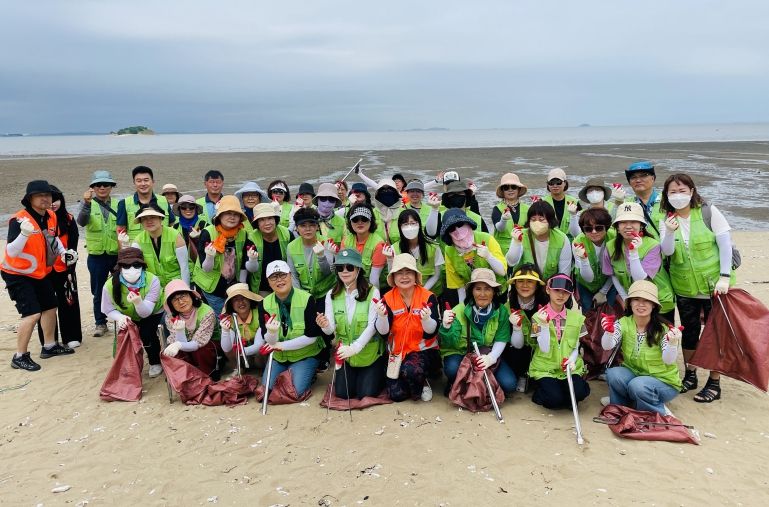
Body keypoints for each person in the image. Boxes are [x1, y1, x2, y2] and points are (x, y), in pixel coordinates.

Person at [659, 173, 735, 403]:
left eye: (683, 191)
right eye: (673, 192)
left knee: (716, 335)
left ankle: (714, 381)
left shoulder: (708, 212)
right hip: (684, 289)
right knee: (689, 333)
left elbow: (725, 245)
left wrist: (725, 276)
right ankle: (690, 374)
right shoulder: (667, 219)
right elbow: (667, 252)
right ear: (666, 195)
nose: (678, 196)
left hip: (714, 287)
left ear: (692, 192)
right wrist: (669, 232)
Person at [3, 180, 75, 371]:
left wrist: (63, 253)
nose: (45, 198)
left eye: (48, 195)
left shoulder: (50, 215)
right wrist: (24, 234)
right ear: (30, 199)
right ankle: (19, 356)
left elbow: (53, 238)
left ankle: (49, 346)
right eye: (40, 195)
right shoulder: (19, 220)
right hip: (17, 274)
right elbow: (11, 251)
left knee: (50, 306)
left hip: (39, 272)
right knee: (32, 313)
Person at [601, 280, 682, 414]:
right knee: (613, 374)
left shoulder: (663, 329)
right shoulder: (623, 323)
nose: (641, 304)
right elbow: (607, 345)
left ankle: (657, 410)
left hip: (663, 382)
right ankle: (620, 405)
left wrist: (672, 343)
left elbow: (669, 360)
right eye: (636, 299)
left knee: (638, 385)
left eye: (646, 300)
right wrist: (608, 333)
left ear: (654, 305)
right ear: (630, 303)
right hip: (635, 375)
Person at [318, 249, 384, 399]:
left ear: (358, 269)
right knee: (343, 393)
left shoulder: (372, 291)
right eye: (340, 268)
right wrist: (324, 325)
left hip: (369, 354)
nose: (345, 271)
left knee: (365, 393)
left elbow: (372, 326)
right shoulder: (331, 294)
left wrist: (355, 348)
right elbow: (330, 330)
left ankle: (378, 371)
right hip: (346, 356)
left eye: (350, 267)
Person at [439, 268, 516, 396]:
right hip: (461, 353)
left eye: (488, 289)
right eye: (478, 289)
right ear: (471, 291)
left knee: (509, 384)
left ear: (494, 292)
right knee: (452, 369)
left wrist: (491, 358)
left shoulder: (501, 311)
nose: (482, 294)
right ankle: (456, 382)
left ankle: (479, 386)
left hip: (486, 353)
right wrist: (446, 326)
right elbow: (450, 343)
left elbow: (501, 338)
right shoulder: (458, 310)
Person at [374, 253, 440, 402]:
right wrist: (382, 317)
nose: (404, 277)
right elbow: (383, 333)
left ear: (415, 275)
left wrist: (427, 319)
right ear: (393, 277)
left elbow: (432, 332)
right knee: (396, 395)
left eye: (408, 272)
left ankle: (422, 381)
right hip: (398, 353)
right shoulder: (387, 298)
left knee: (411, 371)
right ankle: (412, 381)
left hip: (424, 351)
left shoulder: (429, 297)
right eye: (399, 273)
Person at [257, 261, 325, 398]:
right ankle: (289, 372)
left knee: (294, 392)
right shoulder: (264, 303)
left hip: (305, 355)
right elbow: (269, 340)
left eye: (282, 275)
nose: (279, 280)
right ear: (268, 282)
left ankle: (308, 373)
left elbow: (311, 336)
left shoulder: (307, 299)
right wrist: (271, 333)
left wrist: (281, 346)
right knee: (266, 392)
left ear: (290, 276)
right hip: (279, 358)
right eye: (274, 277)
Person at [521, 274, 590, 410]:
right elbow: (544, 348)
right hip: (545, 368)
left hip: (569, 367)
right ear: (548, 290)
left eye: (565, 292)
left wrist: (572, 360)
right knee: (555, 400)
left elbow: (576, 346)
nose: (561, 295)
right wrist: (545, 326)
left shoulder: (577, 318)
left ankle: (563, 393)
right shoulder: (537, 317)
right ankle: (542, 393)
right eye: (557, 290)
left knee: (580, 393)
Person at [602, 202, 675, 319]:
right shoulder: (610, 247)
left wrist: (633, 253)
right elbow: (613, 275)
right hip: (634, 303)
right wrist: (625, 297)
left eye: (633, 222)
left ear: (641, 225)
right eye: (623, 222)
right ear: (617, 227)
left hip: (659, 302)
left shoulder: (653, 245)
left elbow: (641, 279)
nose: (628, 226)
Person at [101, 247, 164, 378]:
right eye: (126, 266)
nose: (132, 269)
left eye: (136, 265)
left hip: (152, 312)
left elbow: (145, 313)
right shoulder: (109, 285)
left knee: (147, 333)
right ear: (120, 267)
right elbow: (107, 309)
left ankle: (154, 361)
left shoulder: (152, 280)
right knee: (126, 334)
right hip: (126, 314)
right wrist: (119, 317)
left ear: (142, 266)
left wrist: (138, 302)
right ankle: (129, 364)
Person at [193, 195, 256, 316]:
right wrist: (210, 256)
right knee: (222, 316)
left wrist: (241, 287)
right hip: (212, 285)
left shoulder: (243, 234)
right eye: (228, 213)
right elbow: (206, 268)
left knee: (237, 315)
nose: (232, 217)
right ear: (220, 215)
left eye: (236, 214)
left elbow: (244, 265)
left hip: (234, 284)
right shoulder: (208, 233)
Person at [39, 186, 83, 348]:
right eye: (50, 200)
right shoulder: (38, 220)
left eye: (56, 199)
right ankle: (49, 339)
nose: (53, 204)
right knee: (46, 305)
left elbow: (73, 246)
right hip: (44, 271)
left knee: (69, 302)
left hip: (65, 269)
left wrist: (71, 268)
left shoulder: (69, 219)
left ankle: (71, 336)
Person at [76, 170, 119, 338]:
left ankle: (121, 319)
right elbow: (81, 221)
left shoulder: (118, 204)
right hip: (96, 255)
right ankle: (100, 323)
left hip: (116, 253)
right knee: (98, 291)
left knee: (120, 287)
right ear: (92, 187)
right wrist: (86, 204)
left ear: (111, 187)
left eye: (106, 184)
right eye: (98, 185)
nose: (102, 187)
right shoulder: (87, 203)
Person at [440, 208, 507, 305]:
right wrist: (462, 309)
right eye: (452, 229)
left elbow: (502, 271)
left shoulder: (487, 238)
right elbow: (459, 286)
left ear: (468, 224)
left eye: (460, 225)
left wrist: (489, 256)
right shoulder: (449, 251)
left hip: (497, 292)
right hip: (474, 296)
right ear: (448, 234)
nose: (458, 231)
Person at [162, 279, 221, 379]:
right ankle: (186, 379)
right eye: (175, 300)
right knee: (173, 352)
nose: (181, 302)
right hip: (187, 349)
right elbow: (175, 343)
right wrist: (180, 332)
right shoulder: (170, 317)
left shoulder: (206, 311)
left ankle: (208, 374)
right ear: (171, 304)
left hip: (207, 347)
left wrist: (179, 344)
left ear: (191, 296)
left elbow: (197, 343)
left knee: (201, 350)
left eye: (183, 296)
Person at [502, 264, 548, 392]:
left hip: (540, 348)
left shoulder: (546, 305)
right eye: (520, 281)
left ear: (537, 285)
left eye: (530, 281)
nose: (525, 285)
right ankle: (521, 374)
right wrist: (517, 328)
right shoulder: (507, 307)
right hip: (517, 349)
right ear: (514, 284)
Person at [506, 200, 572, 281]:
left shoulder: (562, 239)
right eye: (533, 219)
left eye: (541, 219)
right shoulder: (520, 235)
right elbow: (511, 262)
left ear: (550, 221)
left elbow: (564, 272)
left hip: (549, 286)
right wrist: (516, 243)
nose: (537, 223)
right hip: (525, 285)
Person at [128, 206, 189, 286]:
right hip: (152, 284)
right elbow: (135, 269)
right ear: (141, 222)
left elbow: (184, 267)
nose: (149, 221)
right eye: (144, 218)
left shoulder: (175, 236)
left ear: (160, 219)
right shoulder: (138, 241)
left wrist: (186, 289)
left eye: (153, 217)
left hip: (176, 282)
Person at [571, 208, 617, 313]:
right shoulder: (577, 243)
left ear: (607, 227)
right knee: (588, 313)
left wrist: (603, 291)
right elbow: (588, 279)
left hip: (609, 281)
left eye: (599, 228)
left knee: (609, 313)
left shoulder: (615, 238)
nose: (594, 232)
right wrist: (584, 259)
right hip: (585, 284)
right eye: (588, 229)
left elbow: (615, 269)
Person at [390, 209, 445, 296]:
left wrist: (421, 292)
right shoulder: (394, 248)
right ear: (400, 228)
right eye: (405, 224)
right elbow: (392, 276)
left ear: (419, 225)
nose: (410, 227)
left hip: (430, 294)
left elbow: (436, 275)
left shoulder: (433, 247)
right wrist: (389, 259)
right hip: (405, 294)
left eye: (413, 223)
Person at [287, 207, 337, 300]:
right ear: (297, 228)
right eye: (303, 225)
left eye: (312, 225)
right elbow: (293, 276)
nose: (308, 229)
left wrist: (321, 257)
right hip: (304, 295)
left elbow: (328, 272)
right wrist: (299, 297)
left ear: (317, 227)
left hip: (326, 293)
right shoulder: (291, 247)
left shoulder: (326, 242)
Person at [116, 166, 173, 241]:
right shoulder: (124, 203)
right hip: (136, 250)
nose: (143, 184)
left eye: (146, 180)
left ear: (152, 182)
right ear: (134, 183)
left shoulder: (164, 201)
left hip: (163, 249)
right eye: (139, 181)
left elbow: (171, 225)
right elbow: (121, 231)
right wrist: (124, 251)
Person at [248, 203, 293, 296]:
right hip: (262, 287)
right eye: (262, 220)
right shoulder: (251, 238)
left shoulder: (287, 234)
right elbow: (250, 269)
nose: (267, 223)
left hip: (285, 284)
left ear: (275, 220)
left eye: (270, 218)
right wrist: (252, 259)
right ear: (257, 223)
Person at [219, 283, 265, 370]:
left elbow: (259, 344)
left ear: (250, 299)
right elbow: (226, 348)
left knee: (262, 350)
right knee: (229, 350)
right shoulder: (230, 319)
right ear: (231, 304)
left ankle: (262, 371)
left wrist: (242, 351)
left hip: (256, 354)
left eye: (243, 297)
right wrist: (225, 330)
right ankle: (238, 369)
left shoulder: (259, 314)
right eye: (236, 299)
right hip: (240, 355)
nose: (241, 302)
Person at [341, 203, 387, 289]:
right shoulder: (346, 241)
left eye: (364, 219)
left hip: (373, 287)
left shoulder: (378, 244)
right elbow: (343, 271)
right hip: (351, 285)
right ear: (350, 222)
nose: (360, 222)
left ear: (371, 221)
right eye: (355, 219)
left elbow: (374, 279)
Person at [491, 173, 530, 256]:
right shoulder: (497, 208)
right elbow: (499, 228)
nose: (510, 190)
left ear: (518, 189)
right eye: (506, 187)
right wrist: (503, 220)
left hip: (523, 250)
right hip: (503, 253)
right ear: (502, 191)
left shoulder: (528, 208)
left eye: (513, 187)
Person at [623, 161, 664, 239]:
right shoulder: (625, 204)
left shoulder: (667, 201)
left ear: (653, 178)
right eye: (633, 177)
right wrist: (617, 203)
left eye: (643, 176)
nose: (638, 180)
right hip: (636, 249)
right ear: (629, 182)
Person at [542, 168, 580, 238]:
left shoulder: (575, 202)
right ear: (548, 185)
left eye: (558, 182)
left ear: (565, 183)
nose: (555, 186)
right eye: (551, 183)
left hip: (570, 242)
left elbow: (580, 228)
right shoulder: (542, 202)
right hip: (550, 240)